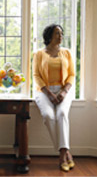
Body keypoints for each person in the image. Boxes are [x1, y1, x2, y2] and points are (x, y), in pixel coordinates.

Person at [33, 24, 75, 172]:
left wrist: (64, 92)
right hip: (44, 91)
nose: (61, 36)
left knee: (62, 114)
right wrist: (49, 94)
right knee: (48, 115)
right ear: (49, 36)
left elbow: (71, 75)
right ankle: (65, 151)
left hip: (64, 90)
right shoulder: (39, 54)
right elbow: (36, 76)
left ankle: (62, 155)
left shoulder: (67, 53)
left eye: (62, 33)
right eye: (57, 33)